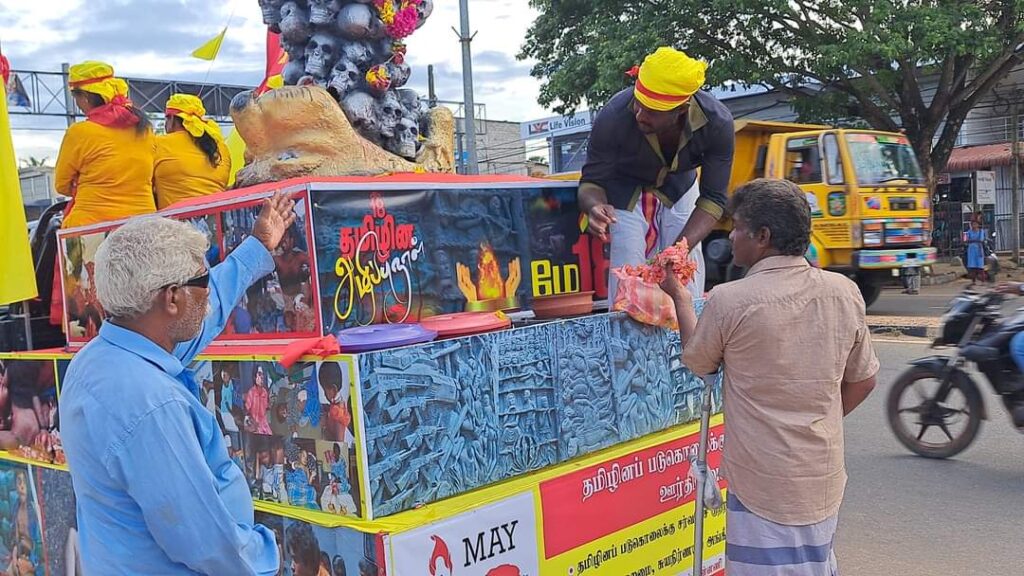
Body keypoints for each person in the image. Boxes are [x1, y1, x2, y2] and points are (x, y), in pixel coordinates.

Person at [58, 191, 297, 574]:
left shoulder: (98, 359)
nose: (208, 293)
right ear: (171, 298)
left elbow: (208, 309)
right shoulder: (153, 405)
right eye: (202, 279)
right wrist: (268, 556)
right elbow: (206, 543)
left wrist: (257, 248)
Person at [659, 179, 878, 575]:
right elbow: (863, 381)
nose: (731, 236)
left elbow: (699, 362)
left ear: (762, 237)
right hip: (821, 472)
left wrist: (679, 297)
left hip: (761, 479)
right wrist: (820, 420)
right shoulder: (844, 292)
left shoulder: (731, 299)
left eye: (738, 227)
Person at [579, 46, 734, 299]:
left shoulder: (718, 123)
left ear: (681, 110)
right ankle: (626, 324)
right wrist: (594, 205)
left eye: (652, 111)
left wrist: (679, 249)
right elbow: (591, 182)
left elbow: (714, 199)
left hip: (681, 186)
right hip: (624, 187)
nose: (640, 115)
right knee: (627, 271)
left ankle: (689, 323)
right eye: (638, 104)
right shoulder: (613, 115)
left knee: (684, 268)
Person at [54, 61, 156, 229]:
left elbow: (61, 185)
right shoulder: (145, 128)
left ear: (85, 97)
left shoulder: (80, 132)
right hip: (145, 222)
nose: (78, 105)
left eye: (76, 98)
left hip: (92, 226)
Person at [154, 93, 232, 209]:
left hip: (174, 219)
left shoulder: (158, 144)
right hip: (216, 218)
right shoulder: (222, 149)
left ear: (171, 118)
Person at [963, 217, 987, 286]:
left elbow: (981, 240)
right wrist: (974, 240)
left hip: (979, 250)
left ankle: (983, 281)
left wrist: (972, 240)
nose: (974, 225)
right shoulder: (969, 232)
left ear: (978, 225)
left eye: (975, 224)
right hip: (971, 251)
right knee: (972, 267)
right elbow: (966, 240)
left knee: (980, 267)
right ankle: (973, 281)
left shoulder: (981, 231)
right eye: (973, 224)